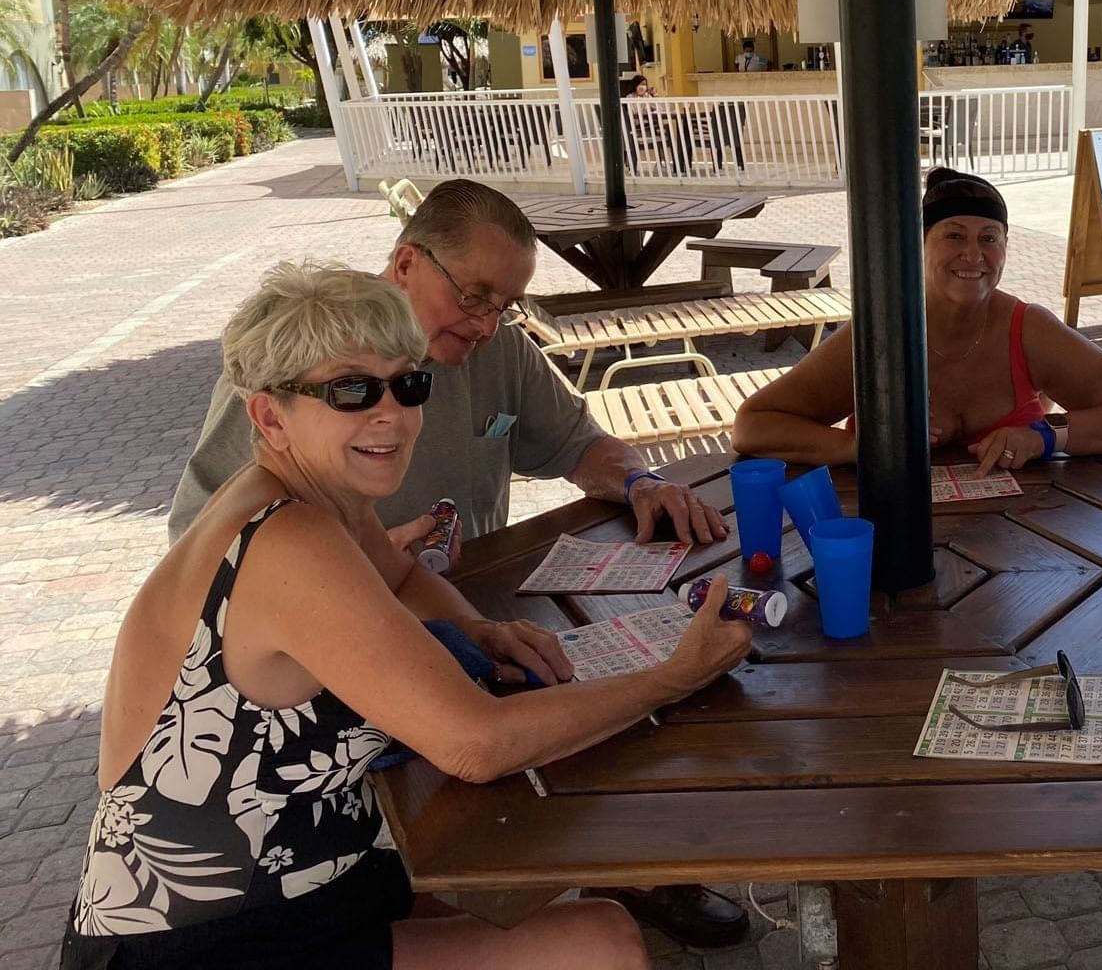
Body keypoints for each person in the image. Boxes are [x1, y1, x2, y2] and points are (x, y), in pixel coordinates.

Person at [66, 263, 754, 970]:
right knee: (601, 942)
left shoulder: (301, 496)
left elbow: (397, 572)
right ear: (271, 415)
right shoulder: (290, 541)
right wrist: (677, 676)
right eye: (351, 391)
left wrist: (479, 630)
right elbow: (474, 746)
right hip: (198, 940)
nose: (389, 413)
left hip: (292, 887)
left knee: (525, 893)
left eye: (409, 382)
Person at [732, 167, 1102, 472]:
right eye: (954, 236)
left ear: (1005, 248)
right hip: (891, 535)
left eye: (989, 238)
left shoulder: (1027, 329)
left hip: (1025, 539)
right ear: (921, 245)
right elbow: (753, 425)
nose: (973, 254)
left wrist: (1045, 437)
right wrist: (855, 447)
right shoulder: (883, 334)